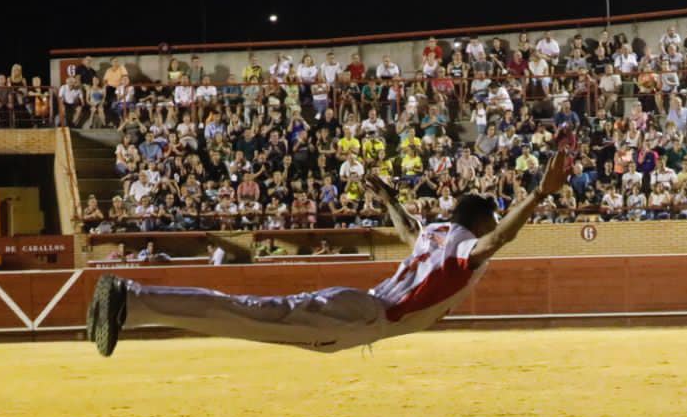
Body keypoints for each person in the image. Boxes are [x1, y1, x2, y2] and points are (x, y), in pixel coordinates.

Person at [86, 132, 577, 355]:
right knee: (245, 314)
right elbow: (499, 238)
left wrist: (389, 198)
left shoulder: (436, 233)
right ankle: (130, 298)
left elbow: (407, 231)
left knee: (248, 316)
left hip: (357, 310)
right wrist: (538, 195)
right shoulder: (464, 248)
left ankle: (132, 305)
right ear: (480, 220)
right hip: (361, 318)